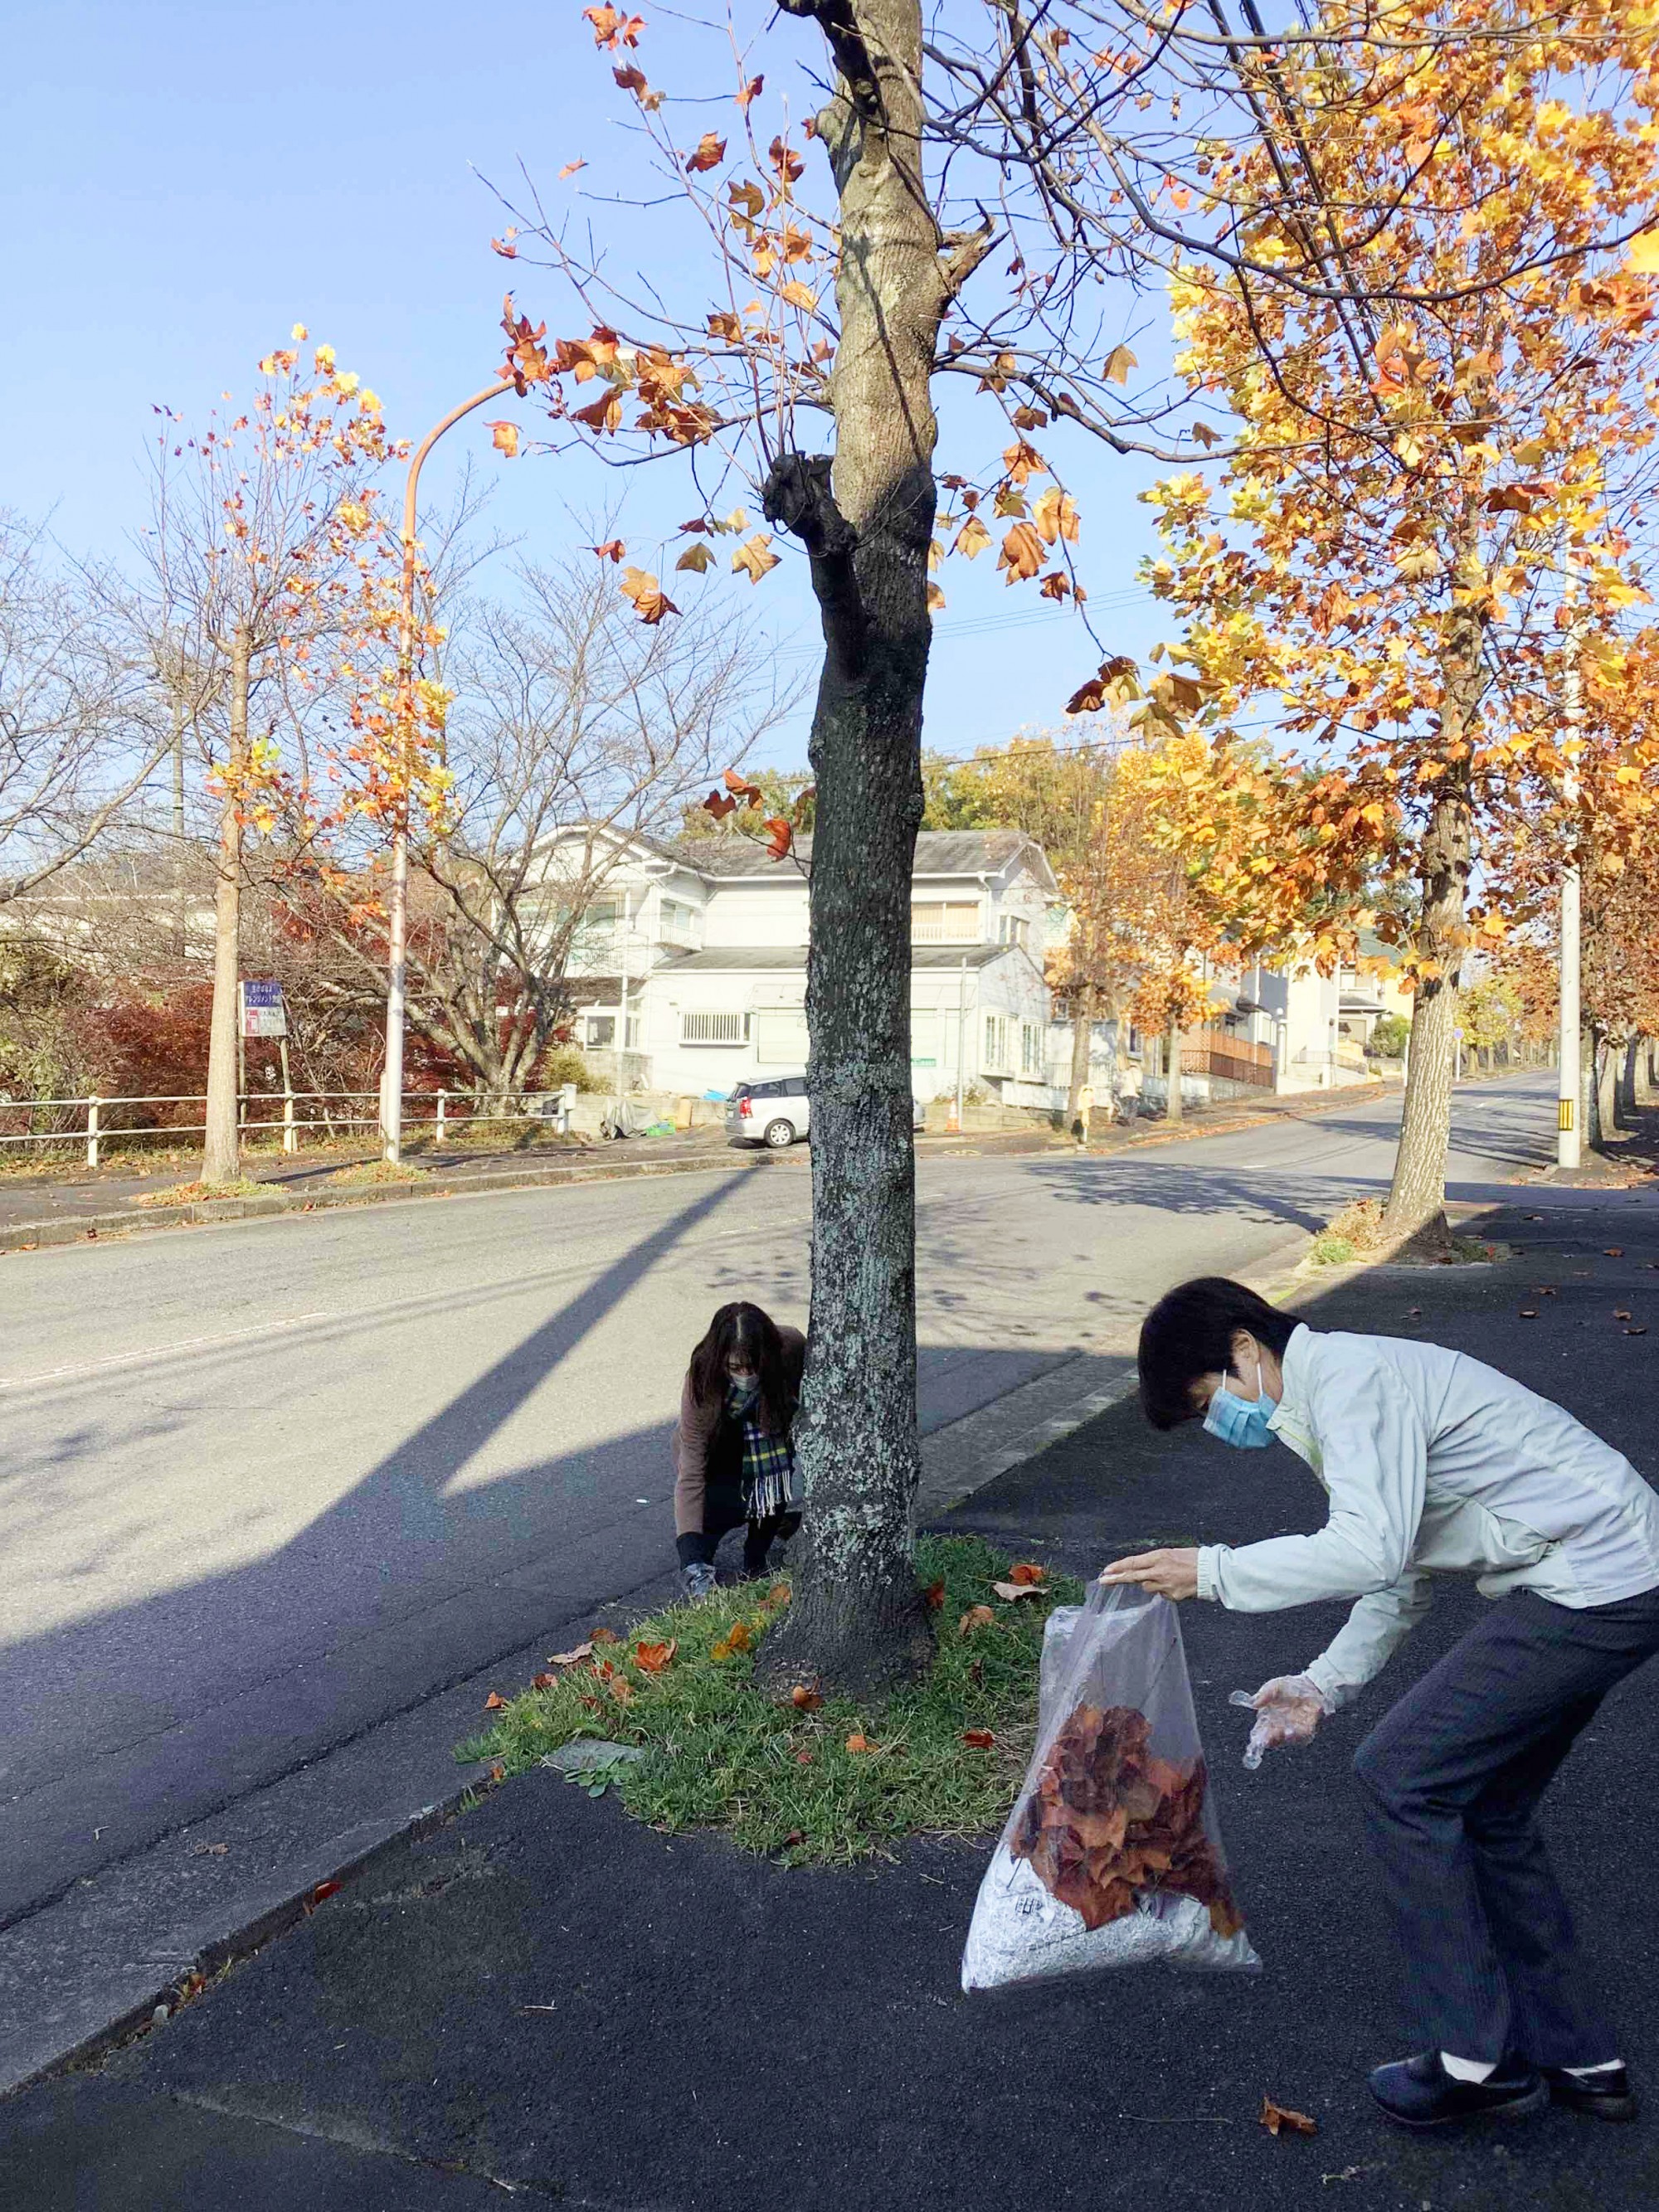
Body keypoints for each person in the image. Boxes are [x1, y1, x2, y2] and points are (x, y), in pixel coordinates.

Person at [1103, 1276, 1659, 2132]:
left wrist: (1211, 1571)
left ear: (1244, 1349)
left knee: (1399, 1776)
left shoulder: (1351, 1382)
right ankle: (1580, 2058)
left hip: (1592, 1580)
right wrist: (1324, 1683)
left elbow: (1366, 1549)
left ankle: (1473, 2063)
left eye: (1209, 1400)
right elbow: (1398, 1568)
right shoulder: (1341, 1392)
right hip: (1610, 1574)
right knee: (1489, 1809)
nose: (1219, 1424)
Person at [674, 1301, 805, 1600]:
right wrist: (690, 1557)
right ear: (721, 1360)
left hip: (769, 1443)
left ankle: (757, 1558)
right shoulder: (702, 1377)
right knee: (718, 1510)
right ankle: (702, 1559)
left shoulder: (789, 1347)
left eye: (753, 1365)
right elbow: (691, 1470)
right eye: (736, 1367)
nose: (746, 1374)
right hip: (719, 1449)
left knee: (772, 1493)